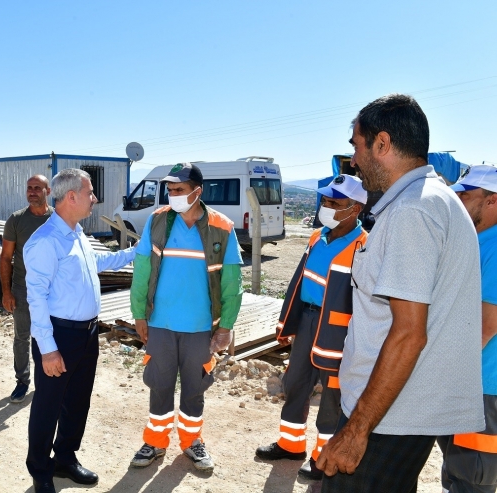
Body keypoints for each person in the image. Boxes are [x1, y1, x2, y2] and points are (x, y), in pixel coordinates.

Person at [317, 94, 484, 493]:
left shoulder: (413, 211)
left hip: (386, 417)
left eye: (357, 145)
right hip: (395, 410)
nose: (353, 160)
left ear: (382, 143)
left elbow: (409, 332)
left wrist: (357, 429)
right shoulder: (432, 199)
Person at [23, 168, 136, 493]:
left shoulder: (77, 233)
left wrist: (133, 255)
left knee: (78, 401)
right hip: (58, 336)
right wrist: (48, 349)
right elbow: (36, 298)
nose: (95, 199)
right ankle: (41, 470)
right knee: (48, 405)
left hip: (86, 334)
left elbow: (94, 266)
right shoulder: (44, 241)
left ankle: (65, 458)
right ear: (70, 197)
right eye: (90, 193)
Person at [129, 162, 244, 473]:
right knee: (160, 385)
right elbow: (141, 271)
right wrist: (139, 313)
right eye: (169, 190)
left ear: (198, 191)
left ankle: (192, 442)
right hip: (160, 325)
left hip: (200, 328)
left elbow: (232, 284)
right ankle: (155, 442)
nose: (173, 195)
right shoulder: (157, 222)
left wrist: (227, 327)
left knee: (194, 388)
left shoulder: (222, 227)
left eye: (178, 189)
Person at [256, 175, 368, 481]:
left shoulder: (363, 246)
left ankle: (323, 456)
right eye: (326, 201)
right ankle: (290, 444)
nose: (327, 207)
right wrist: (289, 320)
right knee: (295, 382)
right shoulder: (317, 236)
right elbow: (299, 282)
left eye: (335, 203)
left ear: (355, 208)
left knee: (332, 393)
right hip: (307, 321)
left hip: (339, 332)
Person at [438, 165, 497, 493]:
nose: (457, 201)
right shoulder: (477, 241)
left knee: (472, 479)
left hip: (483, 387)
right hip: (469, 381)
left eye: (465, 195)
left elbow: (486, 326)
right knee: (458, 473)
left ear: (492, 201)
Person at [0, 174, 53, 403]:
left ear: (47, 191)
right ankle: (22, 382)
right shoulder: (16, 220)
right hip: (23, 289)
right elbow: (5, 258)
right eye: (29, 188)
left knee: (51, 335)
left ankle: (47, 380)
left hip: (53, 291)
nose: (32, 192)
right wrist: (7, 292)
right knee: (22, 337)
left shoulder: (58, 219)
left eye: (37, 188)